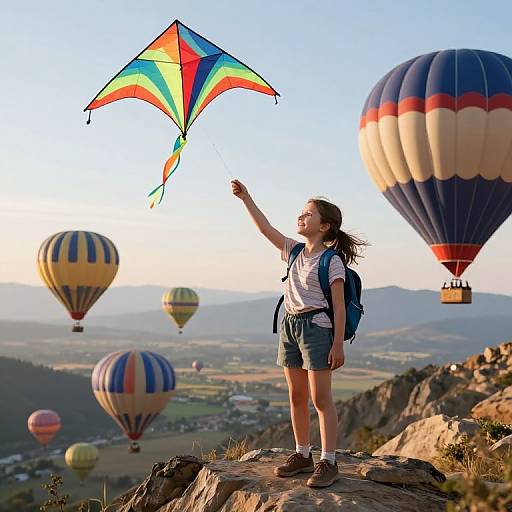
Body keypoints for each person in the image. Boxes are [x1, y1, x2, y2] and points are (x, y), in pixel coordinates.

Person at [231, 179, 366, 488]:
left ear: (325, 226)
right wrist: (246, 198)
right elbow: (265, 229)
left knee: (320, 398)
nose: (301, 217)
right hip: (289, 326)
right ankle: (302, 454)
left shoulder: (332, 261)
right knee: (296, 396)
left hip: (317, 329)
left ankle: (328, 461)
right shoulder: (293, 251)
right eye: (302, 212)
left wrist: (338, 345)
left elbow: (339, 307)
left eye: (308, 214)